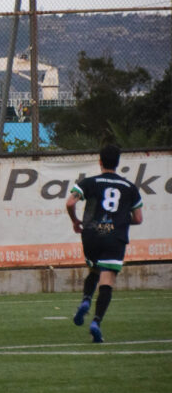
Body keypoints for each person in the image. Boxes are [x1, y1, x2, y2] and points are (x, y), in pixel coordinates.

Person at [65, 144, 143, 343]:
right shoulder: (129, 188)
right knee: (107, 279)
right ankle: (96, 322)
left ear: (100, 161)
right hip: (115, 237)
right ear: (118, 163)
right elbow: (138, 218)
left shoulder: (90, 182)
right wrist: (121, 220)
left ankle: (85, 300)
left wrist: (75, 221)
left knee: (94, 271)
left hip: (92, 234)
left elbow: (70, 202)